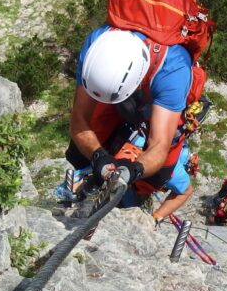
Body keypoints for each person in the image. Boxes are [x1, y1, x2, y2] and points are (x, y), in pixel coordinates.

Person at [66, 25, 193, 194]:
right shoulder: (96, 45)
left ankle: (136, 196)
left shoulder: (174, 70)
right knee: (79, 152)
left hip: (160, 95)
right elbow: (79, 118)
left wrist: (134, 170)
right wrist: (98, 156)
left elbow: (160, 145)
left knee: (159, 175)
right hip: (116, 87)